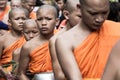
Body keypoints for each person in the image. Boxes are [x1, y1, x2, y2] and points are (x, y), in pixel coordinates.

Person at [55, 0, 120, 79]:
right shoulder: (65, 41)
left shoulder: (117, 29)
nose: (99, 19)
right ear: (80, 8)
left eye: (104, 13)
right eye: (93, 13)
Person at [18, 5, 59, 80]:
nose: (43, 23)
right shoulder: (28, 46)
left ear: (57, 21)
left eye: (48, 19)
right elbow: (21, 74)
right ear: (36, 22)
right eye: (40, 19)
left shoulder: (62, 41)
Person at [49, 0, 81, 79]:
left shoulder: (91, 33)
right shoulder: (56, 40)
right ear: (66, 15)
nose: (85, 20)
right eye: (80, 17)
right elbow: (60, 75)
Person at [0, 7, 29, 79]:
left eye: (23, 18)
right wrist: (5, 73)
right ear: (10, 22)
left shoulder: (30, 38)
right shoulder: (3, 40)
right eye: (17, 19)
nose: (21, 21)